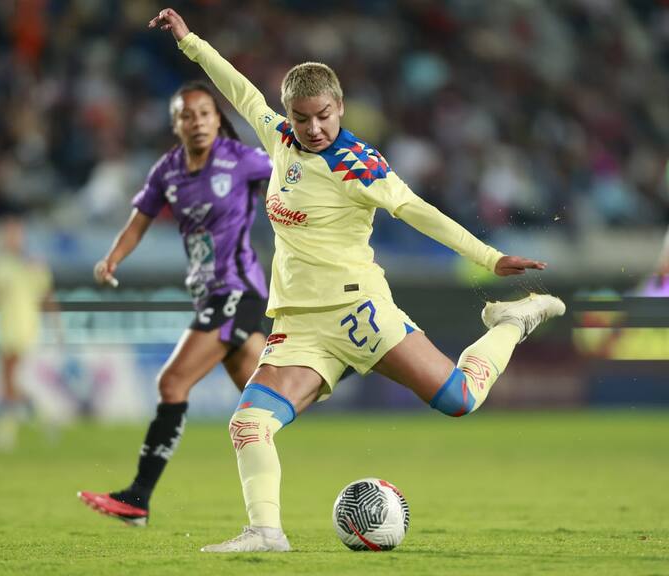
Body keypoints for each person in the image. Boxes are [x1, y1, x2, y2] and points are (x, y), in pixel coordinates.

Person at [150, 8, 567, 553]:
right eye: (302, 118)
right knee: (249, 425)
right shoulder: (279, 141)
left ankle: (513, 320)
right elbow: (238, 88)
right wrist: (190, 42)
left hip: (357, 313)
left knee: (459, 398)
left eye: (323, 115)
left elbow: (418, 211)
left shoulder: (358, 164)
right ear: (289, 116)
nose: (314, 127)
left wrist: (489, 258)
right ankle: (266, 533)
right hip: (299, 324)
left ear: (340, 108)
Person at [77, 81, 273, 526]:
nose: (198, 122)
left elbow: (291, 175)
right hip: (208, 292)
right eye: (188, 115)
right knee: (266, 398)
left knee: (172, 383)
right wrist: (111, 259)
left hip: (237, 290)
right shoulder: (167, 171)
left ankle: (137, 499)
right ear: (176, 123)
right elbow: (138, 222)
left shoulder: (241, 161)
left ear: (218, 119)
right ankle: (334, 361)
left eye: (206, 113)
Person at [0, 216, 59, 450]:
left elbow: (47, 296)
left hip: (25, 328)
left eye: (15, 233)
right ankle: (44, 418)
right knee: (9, 382)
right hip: (5, 328)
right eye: (8, 233)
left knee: (9, 380)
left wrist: (56, 324)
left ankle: (5, 434)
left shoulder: (33, 264)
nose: (12, 238)